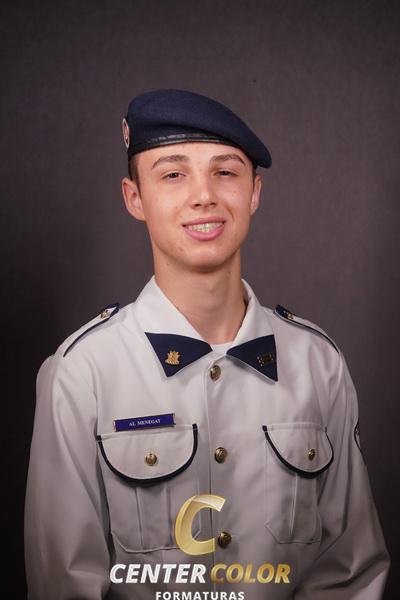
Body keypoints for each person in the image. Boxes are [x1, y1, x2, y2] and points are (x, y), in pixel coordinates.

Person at [25, 89, 390, 600]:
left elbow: (349, 576)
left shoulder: (318, 364)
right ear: (134, 198)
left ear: (254, 192)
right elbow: (63, 585)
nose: (204, 196)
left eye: (225, 172)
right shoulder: (82, 372)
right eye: (173, 174)